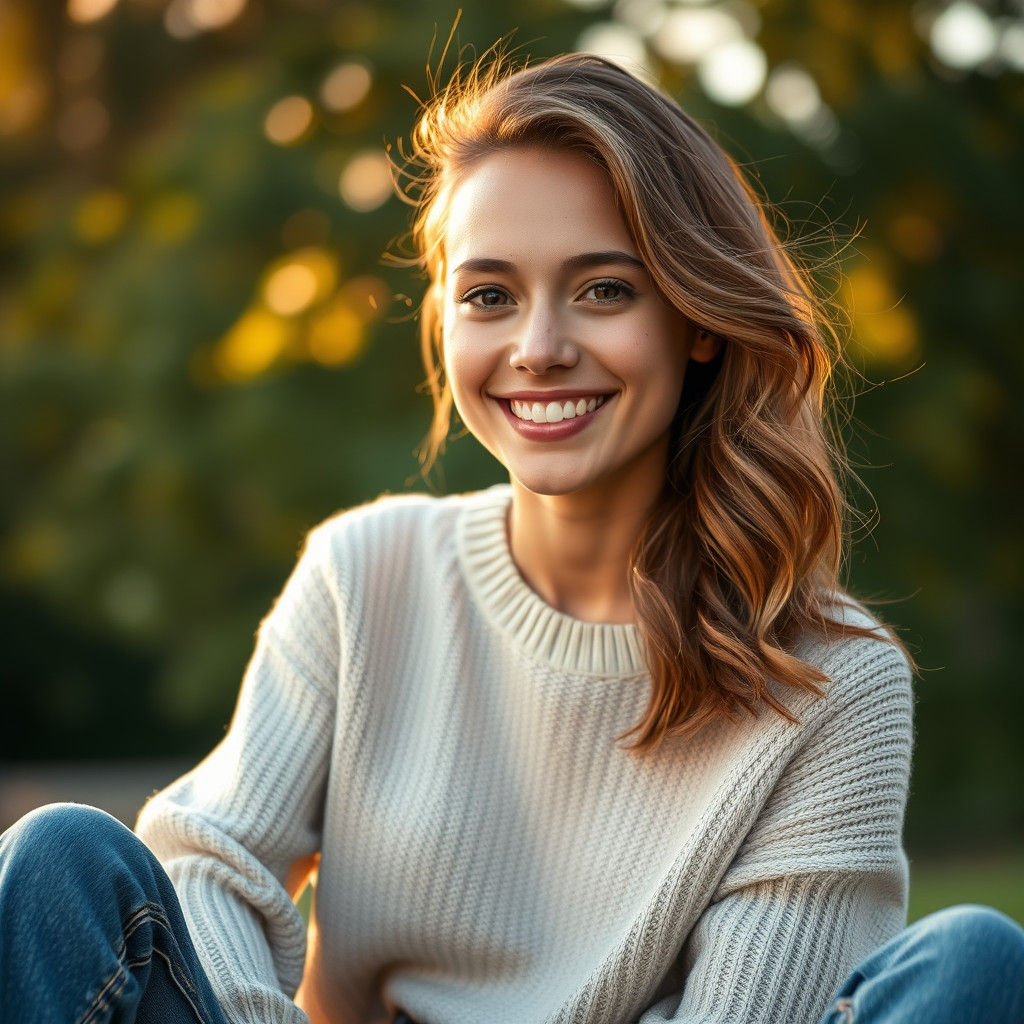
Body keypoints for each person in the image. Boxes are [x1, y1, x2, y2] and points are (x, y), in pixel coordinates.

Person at [1, 50, 1022, 1024]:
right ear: (446, 319)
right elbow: (208, 855)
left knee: (972, 962)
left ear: (698, 316)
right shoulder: (367, 573)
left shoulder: (832, 680)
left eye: (603, 289)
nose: (538, 348)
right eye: (489, 295)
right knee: (61, 863)